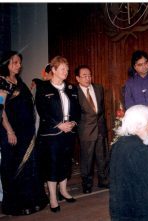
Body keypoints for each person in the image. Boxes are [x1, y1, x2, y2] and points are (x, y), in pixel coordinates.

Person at [0, 51, 48, 215]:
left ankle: (33, 201)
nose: (19, 66)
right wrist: (10, 131)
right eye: (15, 62)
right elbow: (1, 110)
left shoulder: (18, 81)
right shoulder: (2, 82)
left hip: (26, 132)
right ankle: (18, 205)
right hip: (12, 133)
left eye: (19, 62)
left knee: (30, 167)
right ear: (7, 64)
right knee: (15, 168)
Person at [35, 56, 80, 212]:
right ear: (53, 70)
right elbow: (43, 111)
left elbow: (77, 110)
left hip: (68, 132)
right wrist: (58, 125)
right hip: (51, 134)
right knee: (52, 165)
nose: (66, 72)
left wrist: (73, 123)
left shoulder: (72, 88)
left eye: (67, 69)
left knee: (65, 163)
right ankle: (53, 197)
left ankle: (64, 190)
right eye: (62, 69)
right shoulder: (43, 88)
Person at [75, 65, 108, 194]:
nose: (88, 78)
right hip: (85, 130)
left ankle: (104, 180)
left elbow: (101, 110)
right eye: (84, 76)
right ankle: (87, 184)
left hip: (100, 128)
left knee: (102, 157)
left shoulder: (99, 88)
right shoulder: (74, 92)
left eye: (89, 75)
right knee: (87, 159)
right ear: (77, 78)